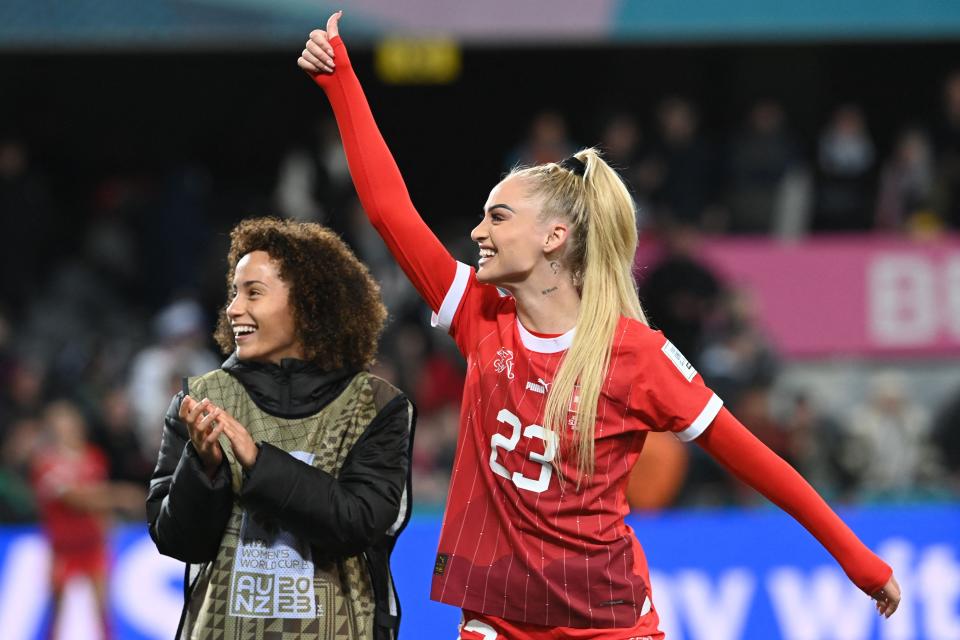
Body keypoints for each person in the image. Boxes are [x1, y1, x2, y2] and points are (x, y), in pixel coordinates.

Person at [298, 13, 901, 638]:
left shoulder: (636, 357)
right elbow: (388, 210)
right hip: (498, 619)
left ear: (554, 237)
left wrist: (858, 561)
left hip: (609, 621)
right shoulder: (480, 315)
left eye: (498, 217)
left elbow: (760, 465)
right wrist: (341, 79)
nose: (477, 232)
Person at [146, 218, 415, 640]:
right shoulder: (199, 399)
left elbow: (358, 524)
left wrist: (258, 462)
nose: (233, 308)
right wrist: (204, 467)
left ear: (309, 305)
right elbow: (179, 541)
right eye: (234, 292)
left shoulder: (377, 406)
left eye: (253, 292)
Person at [32, 399, 144, 640]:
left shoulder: (94, 457)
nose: (66, 429)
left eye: (69, 423)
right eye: (59, 425)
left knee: (103, 611)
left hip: (92, 544)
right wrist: (120, 495)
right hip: (63, 547)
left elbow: (97, 502)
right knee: (56, 610)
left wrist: (107, 528)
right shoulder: (46, 464)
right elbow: (76, 498)